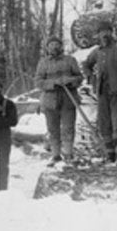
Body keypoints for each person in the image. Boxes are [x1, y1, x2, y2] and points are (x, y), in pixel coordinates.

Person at [81, 18, 117, 163]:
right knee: (105, 124)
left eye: (107, 31)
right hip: (102, 92)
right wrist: (90, 76)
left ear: (111, 33)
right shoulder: (97, 52)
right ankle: (110, 154)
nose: (104, 35)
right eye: (101, 32)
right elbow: (86, 64)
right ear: (97, 35)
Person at [34, 36, 83, 166]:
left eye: (57, 44)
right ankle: (55, 155)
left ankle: (68, 153)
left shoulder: (70, 60)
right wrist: (53, 83)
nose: (54, 47)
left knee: (68, 128)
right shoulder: (43, 63)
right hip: (50, 101)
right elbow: (38, 82)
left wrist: (70, 80)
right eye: (51, 45)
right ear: (47, 48)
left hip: (68, 99)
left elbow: (79, 77)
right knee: (53, 129)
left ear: (61, 46)